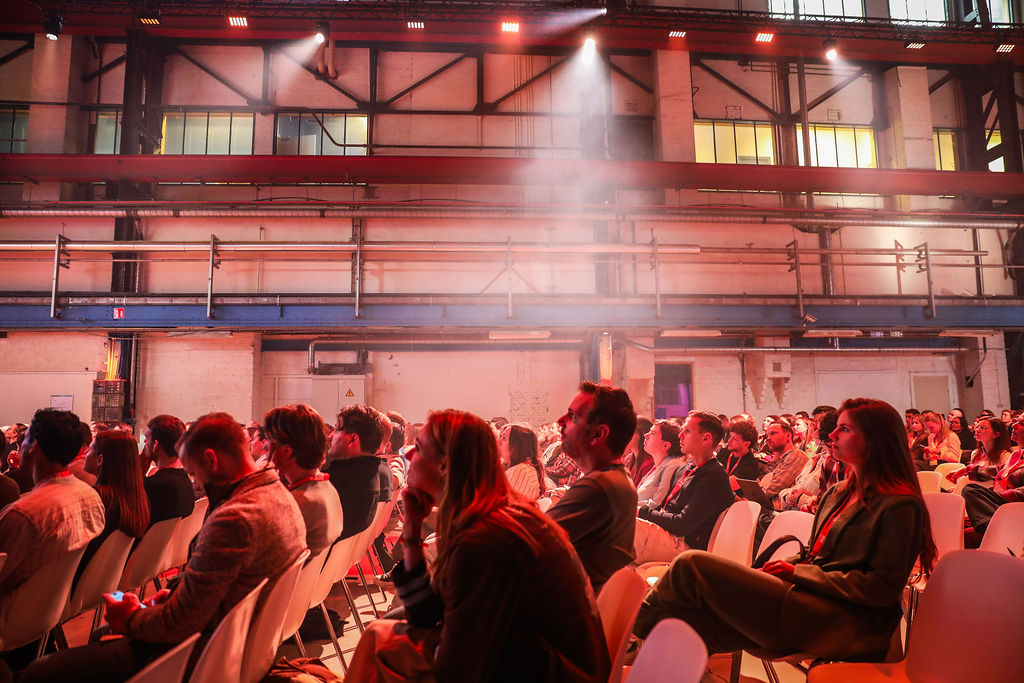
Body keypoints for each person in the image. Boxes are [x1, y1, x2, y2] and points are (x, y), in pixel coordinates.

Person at [633, 398, 936, 662]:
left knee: (691, 565)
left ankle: (625, 629)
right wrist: (775, 570)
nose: (831, 435)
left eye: (843, 429)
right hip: (807, 600)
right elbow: (814, 555)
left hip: (844, 621)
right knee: (684, 626)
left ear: (874, 440)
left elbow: (879, 589)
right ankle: (635, 648)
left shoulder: (900, 505)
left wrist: (796, 573)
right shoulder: (837, 493)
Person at [22, 412, 307, 682]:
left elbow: (182, 622)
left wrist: (131, 618)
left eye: (194, 473)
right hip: (234, 645)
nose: (196, 482)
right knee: (100, 637)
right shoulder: (278, 495)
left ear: (211, 460)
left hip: (200, 654)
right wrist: (175, 594)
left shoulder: (236, 518)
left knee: (42, 672)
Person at [346, 409, 609, 683]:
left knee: (381, 642)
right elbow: (426, 613)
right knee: (383, 631)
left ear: (445, 467)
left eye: (420, 448)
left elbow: (457, 669)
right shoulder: (489, 516)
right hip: (532, 662)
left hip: (544, 674)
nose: (409, 454)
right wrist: (412, 529)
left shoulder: (488, 539)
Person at [0, 410, 105, 635]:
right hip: (47, 617)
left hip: (11, 621)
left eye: (25, 439)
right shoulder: (91, 497)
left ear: (34, 446)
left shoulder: (24, 513)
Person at [547, 382, 638, 593]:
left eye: (573, 417)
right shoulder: (613, 478)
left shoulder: (598, 486)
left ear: (598, 434)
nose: (560, 421)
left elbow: (530, 541)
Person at [634, 411, 734, 563]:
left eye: (687, 431)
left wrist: (642, 512)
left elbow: (682, 525)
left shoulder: (713, 476)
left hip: (685, 546)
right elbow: (666, 509)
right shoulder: (686, 469)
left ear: (706, 438)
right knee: (617, 520)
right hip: (669, 534)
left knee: (620, 526)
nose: (680, 435)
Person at [264, 404, 343, 556]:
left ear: (286, 451)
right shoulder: (328, 489)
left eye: (268, 440)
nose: (265, 447)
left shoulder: (297, 504)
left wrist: (266, 474)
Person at [74, 430, 151, 585]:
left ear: (100, 459)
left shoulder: (96, 499)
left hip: (78, 580)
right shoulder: (139, 498)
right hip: (109, 582)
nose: (85, 454)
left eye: (90, 450)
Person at [325, 404, 391, 539]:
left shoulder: (339, 482)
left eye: (337, 430)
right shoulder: (369, 475)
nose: (330, 436)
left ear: (353, 439)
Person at [962, 415, 1024, 539]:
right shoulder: (1017, 454)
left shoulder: (1005, 455)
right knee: (955, 519)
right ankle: (995, 528)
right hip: (1003, 505)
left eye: (1021, 423)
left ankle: (1000, 532)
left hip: (1016, 508)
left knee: (970, 490)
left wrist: (1001, 495)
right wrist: (969, 470)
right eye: (1016, 421)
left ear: (996, 434)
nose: (1013, 425)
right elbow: (1000, 470)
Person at [140, 415, 196, 524]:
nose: (145, 441)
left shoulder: (152, 485)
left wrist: (138, 472)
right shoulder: (185, 480)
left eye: (147, 438)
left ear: (156, 445)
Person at [946, 417, 1012, 490]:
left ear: (996, 434)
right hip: (973, 490)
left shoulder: (1005, 456)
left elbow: (1002, 483)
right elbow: (971, 479)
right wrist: (957, 487)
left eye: (983, 428)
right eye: (977, 427)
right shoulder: (975, 453)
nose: (977, 430)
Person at [635, 420, 686, 508]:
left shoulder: (673, 465)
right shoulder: (658, 465)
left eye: (652, 433)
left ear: (666, 445)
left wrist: (630, 507)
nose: (646, 435)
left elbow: (657, 504)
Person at [499, 423, 551, 500]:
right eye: (500, 436)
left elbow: (506, 504)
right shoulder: (521, 467)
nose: (498, 442)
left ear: (518, 446)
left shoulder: (520, 471)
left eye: (504, 438)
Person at [717, 417, 762, 485]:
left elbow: (726, 485)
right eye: (730, 436)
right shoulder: (724, 452)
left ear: (746, 444)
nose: (729, 440)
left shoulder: (750, 465)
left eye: (734, 439)